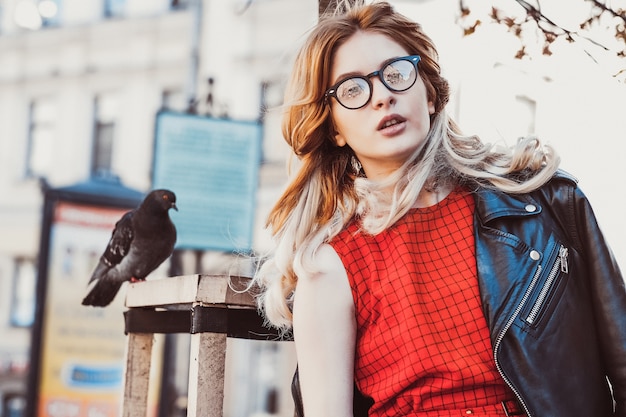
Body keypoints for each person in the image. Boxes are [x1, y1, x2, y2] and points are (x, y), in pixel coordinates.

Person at [253, 1, 626, 416]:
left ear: (429, 93)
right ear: (334, 128)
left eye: (396, 73)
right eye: (353, 89)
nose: (383, 96)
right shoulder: (330, 267)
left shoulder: (547, 202)